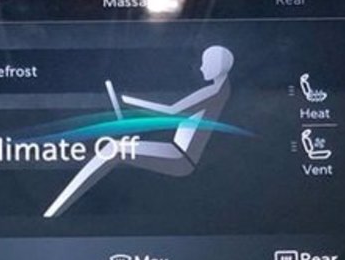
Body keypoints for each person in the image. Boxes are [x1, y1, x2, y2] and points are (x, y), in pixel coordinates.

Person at [43, 45, 234, 218]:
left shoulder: (213, 92)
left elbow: (172, 112)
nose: (201, 67)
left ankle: (53, 212)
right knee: (113, 148)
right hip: (176, 151)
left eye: (206, 62)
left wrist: (129, 101)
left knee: (112, 150)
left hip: (180, 157)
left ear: (218, 66)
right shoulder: (221, 89)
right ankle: (54, 211)